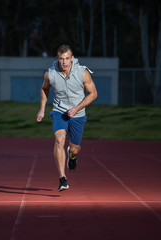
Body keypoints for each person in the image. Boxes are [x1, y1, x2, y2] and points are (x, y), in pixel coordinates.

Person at [36, 44, 97, 191]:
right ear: (57, 59)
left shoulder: (82, 73)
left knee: (75, 149)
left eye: (67, 59)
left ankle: (73, 156)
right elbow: (44, 89)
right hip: (59, 111)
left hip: (78, 114)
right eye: (61, 59)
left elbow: (93, 94)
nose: (64, 62)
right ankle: (62, 179)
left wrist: (77, 108)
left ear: (72, 59)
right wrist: (42, 109)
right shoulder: (50, 74)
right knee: (59, 140)